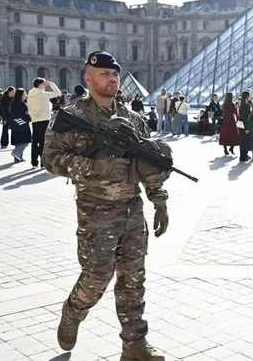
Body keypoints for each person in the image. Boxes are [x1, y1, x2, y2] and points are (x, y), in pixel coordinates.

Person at [43, 51, 170, 361]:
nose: (112, 79)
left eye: (115, 74)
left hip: (132, 209)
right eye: (104, 74)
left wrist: (159, 200)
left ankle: (134, 343)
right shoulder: (72, 116)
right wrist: (95, 167)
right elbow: (50, 159)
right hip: (96, 211)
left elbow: (147, 162)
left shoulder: (132, 118)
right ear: (88, 79)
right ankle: (73, 311)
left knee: (133, 279)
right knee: (97, 277)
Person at [27, 77, 62, 168]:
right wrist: (51, 84)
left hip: (35, 120)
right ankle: (43, 162)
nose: (45, 86)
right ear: (40, 85)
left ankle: (34, 162)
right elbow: (58, 93)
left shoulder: (30, 94)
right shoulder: (42, 94)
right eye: (44, 84)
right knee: (43, 142)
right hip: (44, 120)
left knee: (35, 141)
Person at [238, 90, 253, 162]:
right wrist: (247, 128)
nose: (250, 97)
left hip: (245, 126)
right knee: (244, 141)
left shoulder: (245, 105)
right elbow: (245, 118)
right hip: (245, 126)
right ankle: (243, 156)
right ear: (246, 97)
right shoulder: (245, 106)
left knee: (245, 141)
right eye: (249, 96)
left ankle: (245, 156)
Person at [9, 89, 31, 162]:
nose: (26, 95)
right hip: (22, 123)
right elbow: (23, 114)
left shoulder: (15, 102)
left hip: (16, 123)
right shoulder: (20, 104)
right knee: (25, 140)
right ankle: (16, 152)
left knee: (18, 141)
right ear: (21, 95)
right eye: (24, 94)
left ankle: (18, 157)